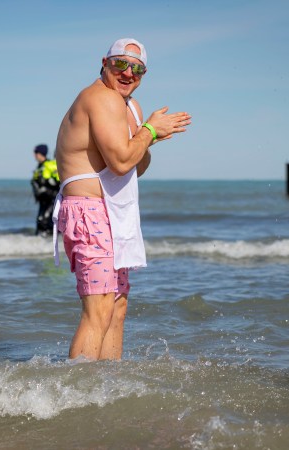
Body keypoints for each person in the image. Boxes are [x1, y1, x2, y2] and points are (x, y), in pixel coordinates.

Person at [52, 38, 192, 361]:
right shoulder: (100, 98)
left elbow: (134, 166)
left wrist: (146, 137)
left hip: (116, 212)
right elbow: (120, 161)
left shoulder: (130, 107)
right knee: (99, 308)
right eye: (120, 64)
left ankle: (107, 391)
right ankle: (77, 395)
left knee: (117, 307)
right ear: (104, 62)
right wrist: (150, 133)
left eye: (138, 69)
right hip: (89, 211)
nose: (128, 73)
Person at [31, 143, 60, 236]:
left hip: (51, 199)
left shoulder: (51, 165)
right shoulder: (39, 167)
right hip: (42, 200)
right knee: (40, 221)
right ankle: (39, 243)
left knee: (46, 221)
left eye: (36, 152)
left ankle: (52, 243)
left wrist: (49, 182)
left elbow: (58, 181)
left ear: (41, 153)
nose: (34, 155)